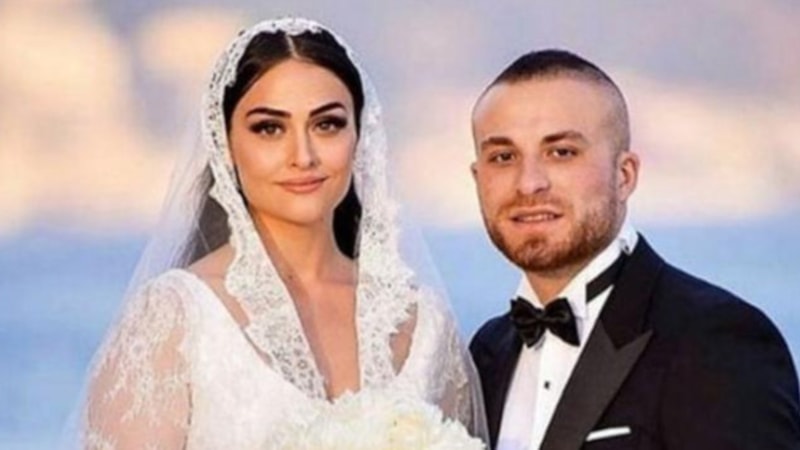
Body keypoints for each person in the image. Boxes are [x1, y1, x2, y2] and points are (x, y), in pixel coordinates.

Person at [68, 17, 485, 449]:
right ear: (226, 146)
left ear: (360, 136)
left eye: (327, 124)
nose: (303, 155)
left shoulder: (426, 327)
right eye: (269, 128)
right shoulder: (175, 319)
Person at [468, 49, 800, 449]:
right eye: (503, 157)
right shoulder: (483, 356)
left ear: (624, 176)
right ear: (477, 178)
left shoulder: (718, 340)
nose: (529, 183)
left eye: (561, 152)